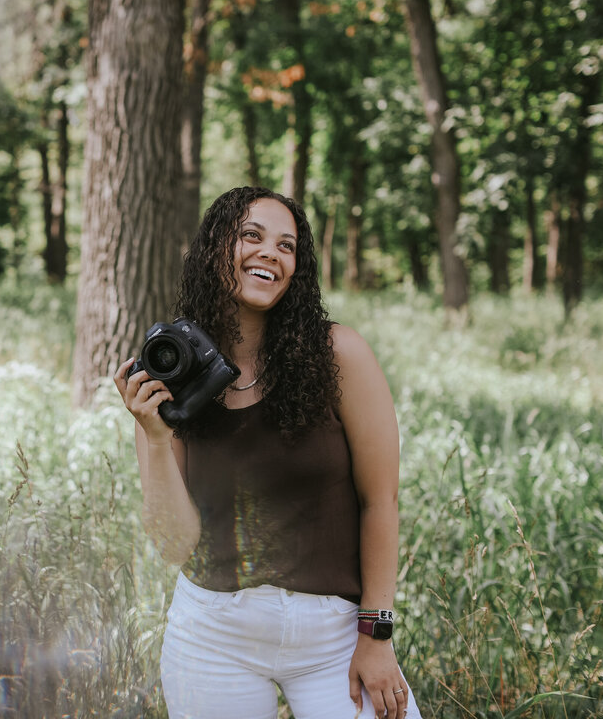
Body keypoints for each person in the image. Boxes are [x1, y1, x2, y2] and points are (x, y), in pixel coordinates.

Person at [113, 187, 420, 719]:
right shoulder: (171, 375)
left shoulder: (339, 353)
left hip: (335, 638)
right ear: (214, 250)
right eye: (251, 236)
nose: (269, 253)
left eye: (286, 245)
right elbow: (174, 545)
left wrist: (377, 634)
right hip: (212, 635)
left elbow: (382, 501)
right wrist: (157, 438)